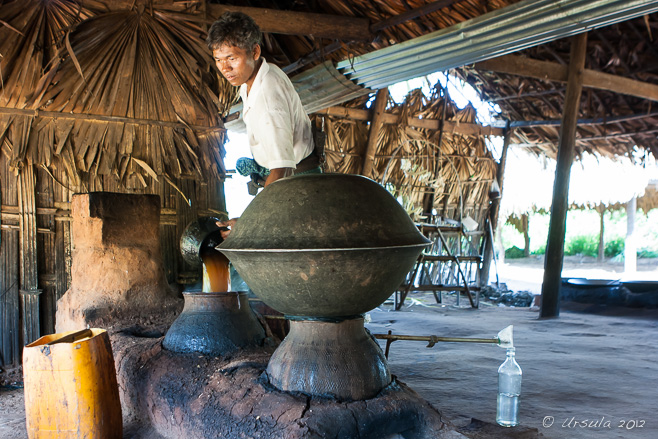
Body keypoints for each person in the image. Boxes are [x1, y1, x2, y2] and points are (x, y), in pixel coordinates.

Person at [206, 11, 322, 235]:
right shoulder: (253, 79)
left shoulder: (268, 94)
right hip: (287, 181)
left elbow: (282, 167)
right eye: (219, 60)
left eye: (232, 58)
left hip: (297, 185)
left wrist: (251, 221)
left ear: (255, 51)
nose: (225, 68)